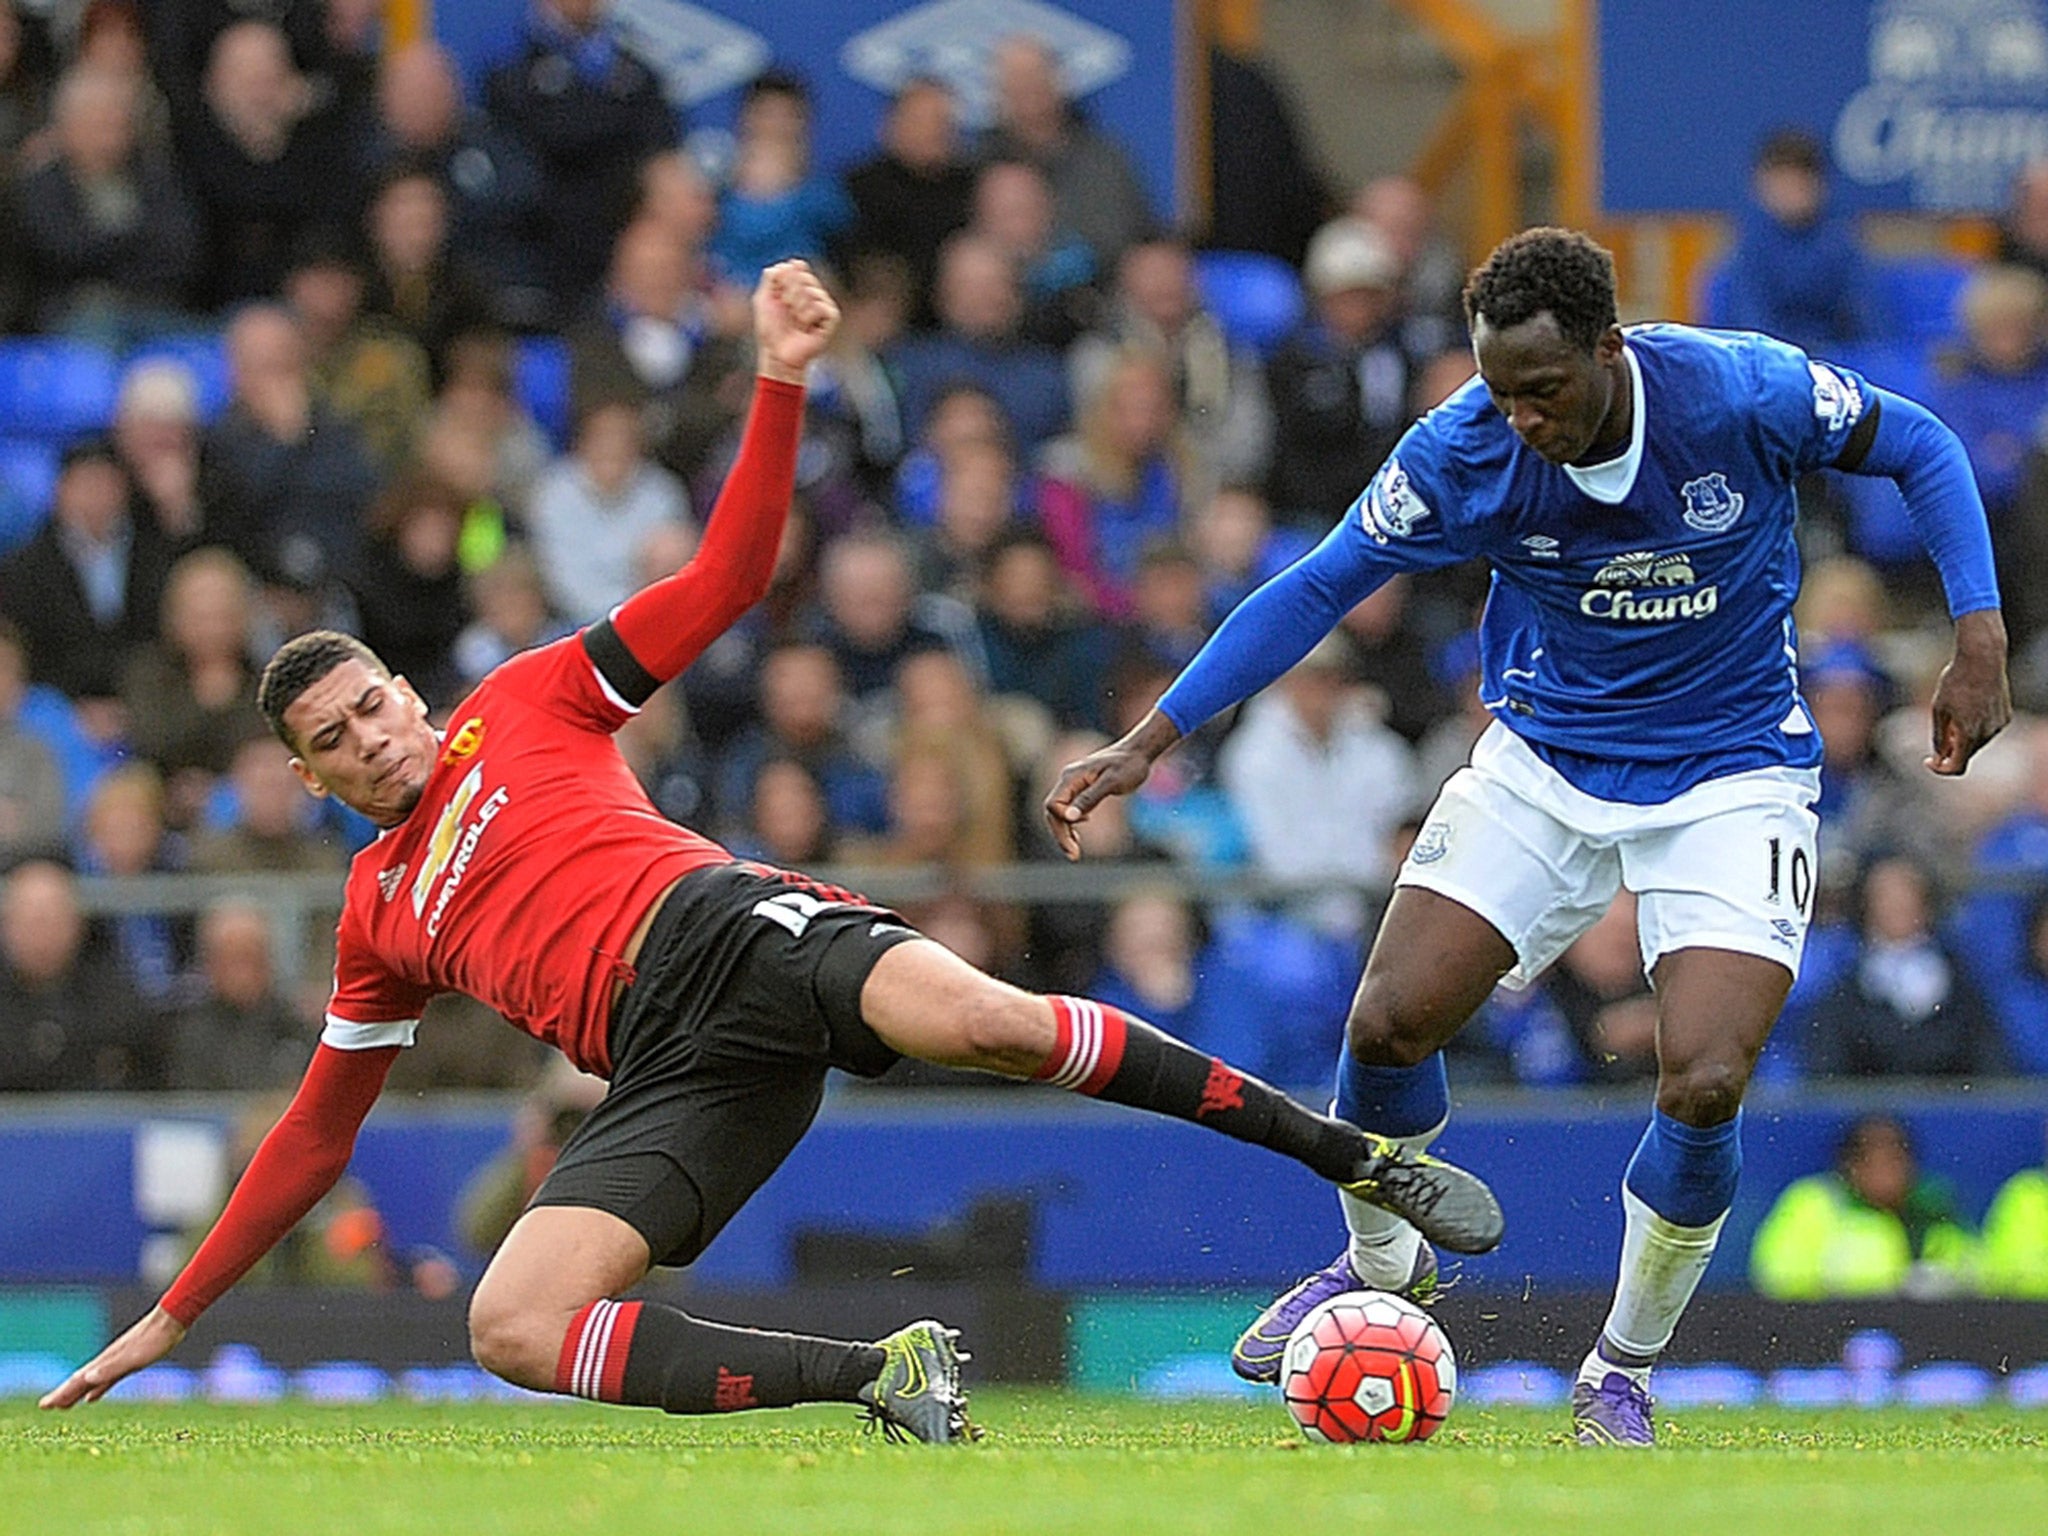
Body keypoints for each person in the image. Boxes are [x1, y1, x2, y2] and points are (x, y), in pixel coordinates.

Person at [41, 261, 1499, 1441]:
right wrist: (175, 1319)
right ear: (303, 776)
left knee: (989, 1022)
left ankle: (1355, 1160)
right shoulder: (374, 914)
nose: (370, 738)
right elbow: (313, 1133)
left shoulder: (522, 702)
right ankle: (882, 1375)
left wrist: (782, 379)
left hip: (732, 931)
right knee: (513, 1328)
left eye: (372, 704)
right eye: (336, 740)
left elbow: (730, 577)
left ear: (406, 692)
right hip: (661, 1070)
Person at [1045, 227, 2010, 1446]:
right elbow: (1318, 585)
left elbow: (1917, 441)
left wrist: (1977, 634)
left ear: (1610, 350)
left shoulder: (1738, 389)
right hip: (1543, 765)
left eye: (1542, 392)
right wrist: (1152, 735)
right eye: (1498, 392)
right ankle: (1381, 1268)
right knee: (1386, 1020)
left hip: (1729, 774)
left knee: (1704, 1077)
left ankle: (1620, 1369)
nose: (1520, 420)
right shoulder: (1463, 445)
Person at [1749, 1115, 1976, 1299]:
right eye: (1872, 1161)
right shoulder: (1813, 1201)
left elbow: (1981, 1273)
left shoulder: (1934, 1206)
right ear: (1850, 1165)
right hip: (1832, 1328)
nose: (1886, 1173)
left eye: (1895, 1160)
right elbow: (1776, 1275)